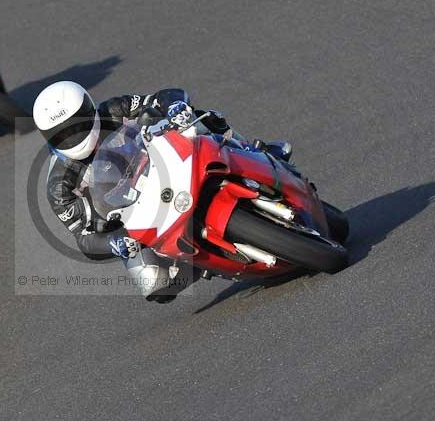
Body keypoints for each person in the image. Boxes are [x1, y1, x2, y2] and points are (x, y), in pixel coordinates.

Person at [33, 81, 294, 303]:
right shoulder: (59, 185)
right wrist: (115, 242)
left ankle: (253, 150)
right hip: (132, 215)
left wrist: (174, 107)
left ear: (89, 109)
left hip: (162, 165)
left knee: (200, 119)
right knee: (154, 284)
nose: (72, 137)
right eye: (61, 134)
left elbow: (161, 97)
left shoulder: (113, 110)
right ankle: (204, 262)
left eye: (76, 125)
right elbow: (83, 238)